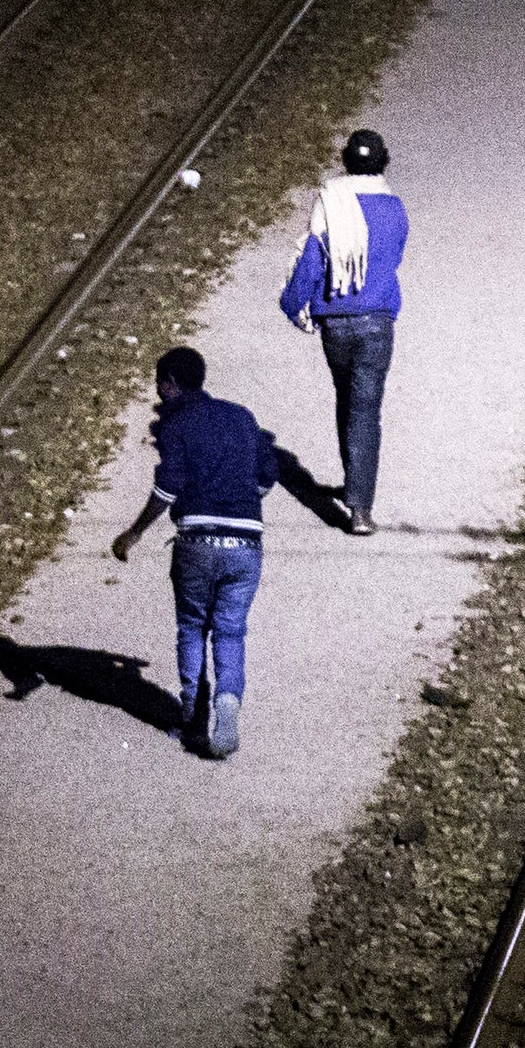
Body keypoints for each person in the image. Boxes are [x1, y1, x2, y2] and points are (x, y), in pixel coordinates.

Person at [111, 346, 276, 759]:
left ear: (170, 384)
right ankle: (228, 703)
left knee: (191, 626)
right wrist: (239, 498)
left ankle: (193, 720)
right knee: (231, 630)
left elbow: (167, 488)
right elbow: (267, 475)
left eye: (158, 384)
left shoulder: (176, 425)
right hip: (246, 543)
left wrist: (133, 533)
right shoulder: (241, 416)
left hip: (197, 542)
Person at [278, 127, 408, 536]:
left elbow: (312, 260)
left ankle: (354, 483)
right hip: (377, 322)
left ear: (346, 161)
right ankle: (360, 508)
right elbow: (394, 257)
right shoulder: (395, 209)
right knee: (365, 410)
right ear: (384, 162)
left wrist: (292, 303)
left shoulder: (331, 203)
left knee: (346, 401)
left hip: (335, 322)